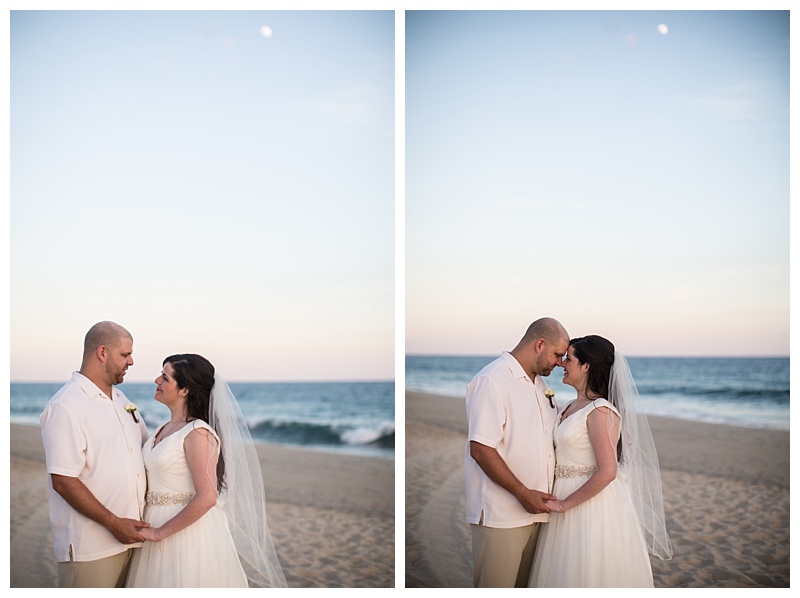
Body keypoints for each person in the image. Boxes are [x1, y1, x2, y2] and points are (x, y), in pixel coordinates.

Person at [126, 354, 287, 588]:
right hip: (154, 521)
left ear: (185, 390)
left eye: (164, 378)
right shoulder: (164, 427)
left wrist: (160, 533)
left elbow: (207, 497)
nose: (156, 381)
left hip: (183, 530)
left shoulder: (198, 433)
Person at [529, 335, 673, 587]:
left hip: (587, 505)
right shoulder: (571, 406)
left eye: (569, 359)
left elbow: (608, 471)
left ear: (586, 366)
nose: (563, 363)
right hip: (565, 495)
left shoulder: (600, 410)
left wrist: (564, 505)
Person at [40, 321, 149, 588]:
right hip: (91, 548)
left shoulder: (122, 400)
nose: (132, 361)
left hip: (132, 541)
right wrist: (114, 524)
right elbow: (64, 481)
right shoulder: (66, 406)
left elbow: (143, 452)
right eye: (125, 354)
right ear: (102, 353)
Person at [464, 317, 570, 587]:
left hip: (537, 513)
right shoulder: (493, 380)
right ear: (539, 344)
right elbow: (480, 448)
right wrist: (523, 494)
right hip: (502, 514)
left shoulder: (540, 386)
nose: (560, 363)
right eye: (557, 355)